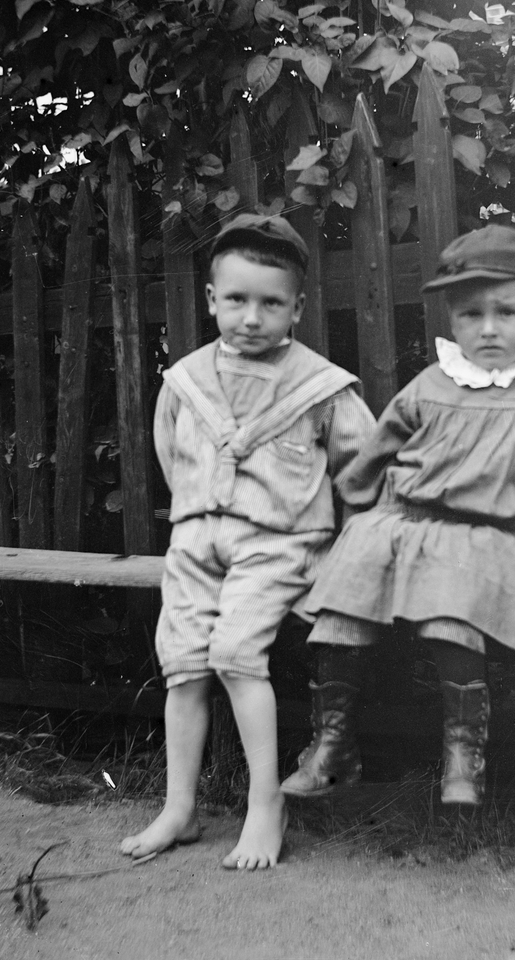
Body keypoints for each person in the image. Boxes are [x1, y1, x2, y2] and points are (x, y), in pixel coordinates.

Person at [281, 224, 515, 807]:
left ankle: (462, 751)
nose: (489, 328)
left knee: (452, 617)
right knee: (340, 609)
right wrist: (354, 523)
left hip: (483, 533)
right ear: (452, 321)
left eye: (507, 312)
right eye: (472, 314)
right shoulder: (430, 385)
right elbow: (370, 460)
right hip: (399, 523)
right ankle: (332, 742)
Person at [121, 213, 376, 869]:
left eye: (271, 303)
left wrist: (349, 551)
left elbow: (365, 472)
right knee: (184, 665)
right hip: (196, 542)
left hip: (280, 545)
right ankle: (180, 808)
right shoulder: (185, 382)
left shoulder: (321, 386)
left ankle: (266, 805)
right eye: (236, 300)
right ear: (211, 299)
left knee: (236, 653)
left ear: (297, 307)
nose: (252, 318)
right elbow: (173, 458)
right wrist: (207, 515)